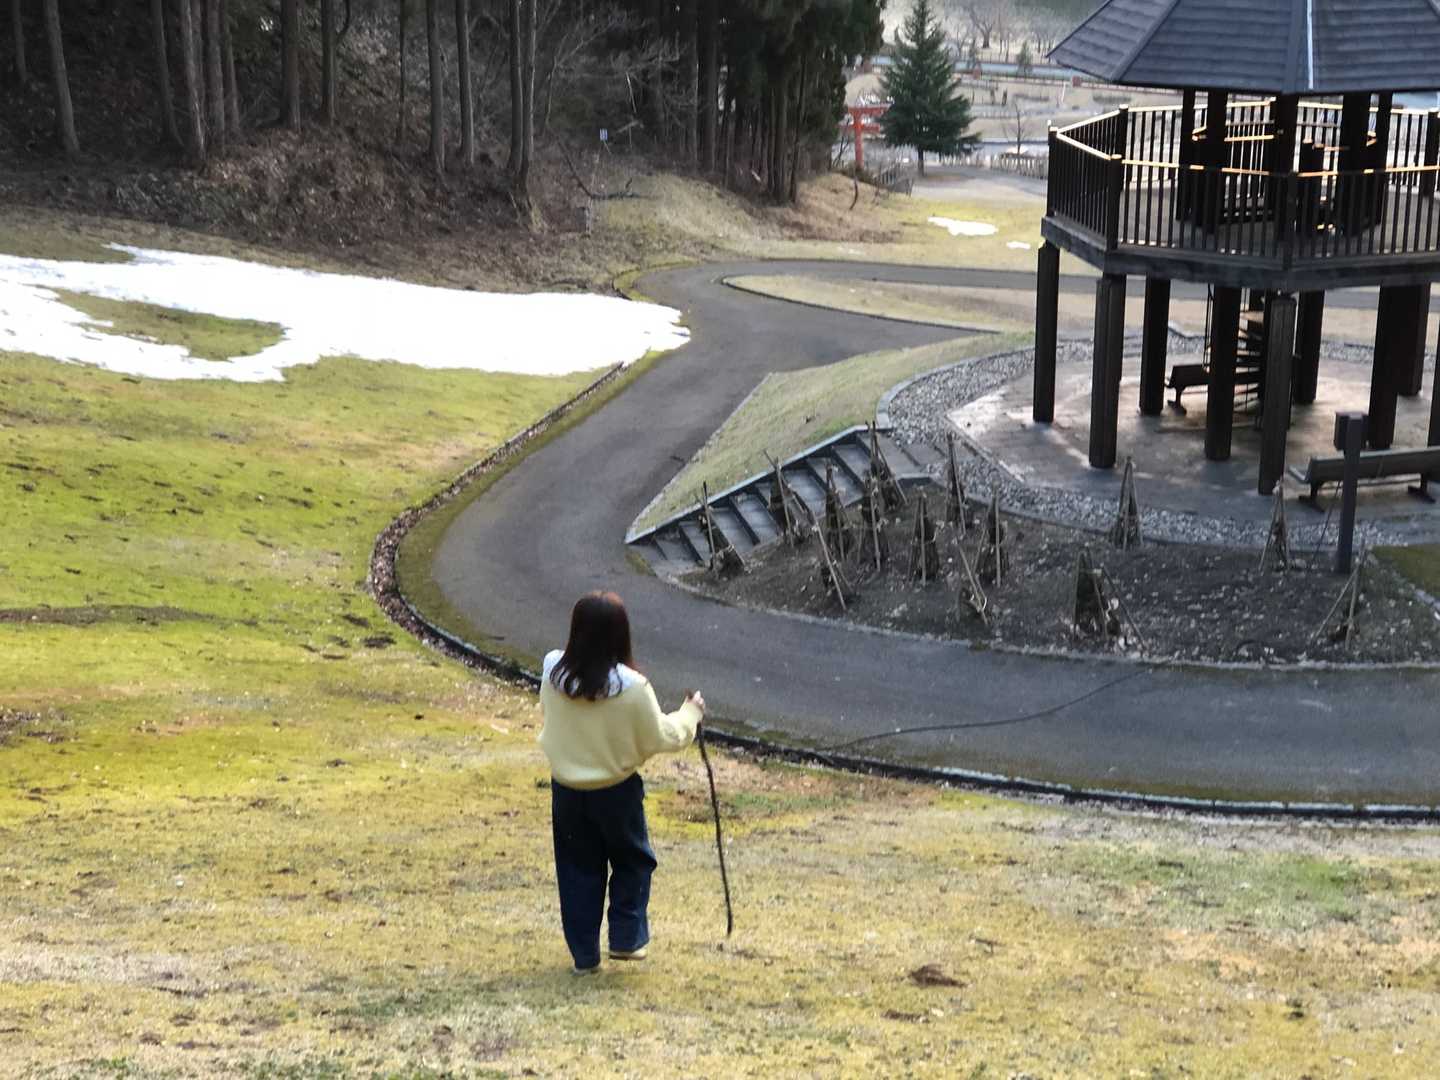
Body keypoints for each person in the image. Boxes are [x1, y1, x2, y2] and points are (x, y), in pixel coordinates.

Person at [538, 591, 705, 975]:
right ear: (621, 634)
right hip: (616, 792)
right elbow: (663, 736)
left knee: (577, 871)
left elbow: (549, 711)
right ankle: (626, 938)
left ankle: (584, 957)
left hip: (566, 792)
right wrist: (691, 713)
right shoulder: (632, 687)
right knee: (633, 860)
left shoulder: (552, 671)